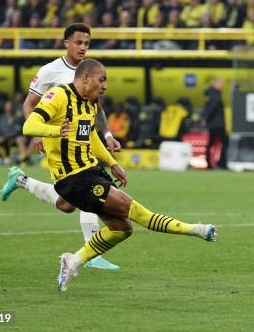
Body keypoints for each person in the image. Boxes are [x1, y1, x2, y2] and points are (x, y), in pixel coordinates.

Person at [21, 59, 217, 292]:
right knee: (133, 210)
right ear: (85, 78)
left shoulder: (89, 104)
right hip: (73, 179)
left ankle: (72, 261)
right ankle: (196, 229)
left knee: (122, 229)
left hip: (92, 171)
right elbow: (29, 125)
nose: (104, 86)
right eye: (101, 80)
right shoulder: (59, 96)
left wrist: (112, 164)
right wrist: (55, 131)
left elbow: (91, 137)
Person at [0, 23, 122, 270]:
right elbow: (29, 104)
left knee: (68, 204)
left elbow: (97, 109)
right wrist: (37, 132)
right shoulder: (50, 71)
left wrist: (107, 135)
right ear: (66, 43)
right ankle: (92, 253)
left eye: (87, 43)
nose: (83, 48)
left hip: (84, 140)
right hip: (59, 140)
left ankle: (21, 180)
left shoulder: (93, 71)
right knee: (91, 188)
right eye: (78, 42)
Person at [202, 77, 228, 169]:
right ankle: (221, 163)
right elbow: (211, 108)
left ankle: (209, 163)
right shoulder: (215, 95)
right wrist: (205, 118)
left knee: (211, 143)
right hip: (218, 124)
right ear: (217, 84)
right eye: (221, 84)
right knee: (225, 143)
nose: (222, 86)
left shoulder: (210, 94)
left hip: (213, 123)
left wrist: (205, 119)